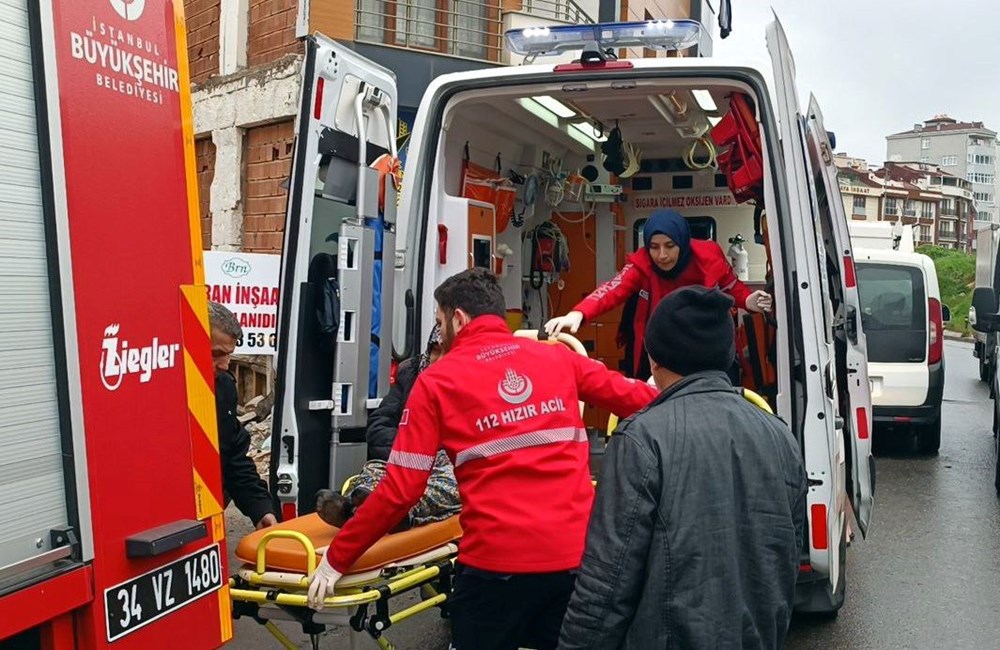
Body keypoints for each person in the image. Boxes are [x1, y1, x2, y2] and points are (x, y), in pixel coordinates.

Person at [307, 268, 658, 650]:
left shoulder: (437, 382)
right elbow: (640, 399)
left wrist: (338, 558)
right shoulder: (559, 359)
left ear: (458, 318)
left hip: (495, 569)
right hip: (575, 563)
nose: (440, 332)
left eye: (440, 322)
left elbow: (401, 490)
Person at [558, 286, 807, 650]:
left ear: (654, 359)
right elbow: (784, 557)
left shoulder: (641, 439)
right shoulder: (779, 435)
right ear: (726, 355)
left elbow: (608, 581)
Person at [545, 209, 772, 378]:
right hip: (659, 345)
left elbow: (731, 286)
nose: (662, 255)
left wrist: (748, 300)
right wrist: (578, 313)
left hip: (703, 340)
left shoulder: (708, 256)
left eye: (669, 246)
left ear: (682, 241)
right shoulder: (641, 264)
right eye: (654, 247)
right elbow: (612, 289)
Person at [314, 325, 460, 533]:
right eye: (436, 350)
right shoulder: (411, 373)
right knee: (374, 469)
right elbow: (379, 425)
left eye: (448, 352)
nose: (440, 359)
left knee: (450, 482)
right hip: (403, 458)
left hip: (447, 464)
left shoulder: (474, 383)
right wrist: (407, 452)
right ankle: (353, 507)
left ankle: (398, 514)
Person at [209, 301, 277, 530]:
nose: (225, 364)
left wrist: (261, 509)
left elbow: (233, 457)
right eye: (216, 354)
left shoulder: (223, 388)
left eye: (229, 354)